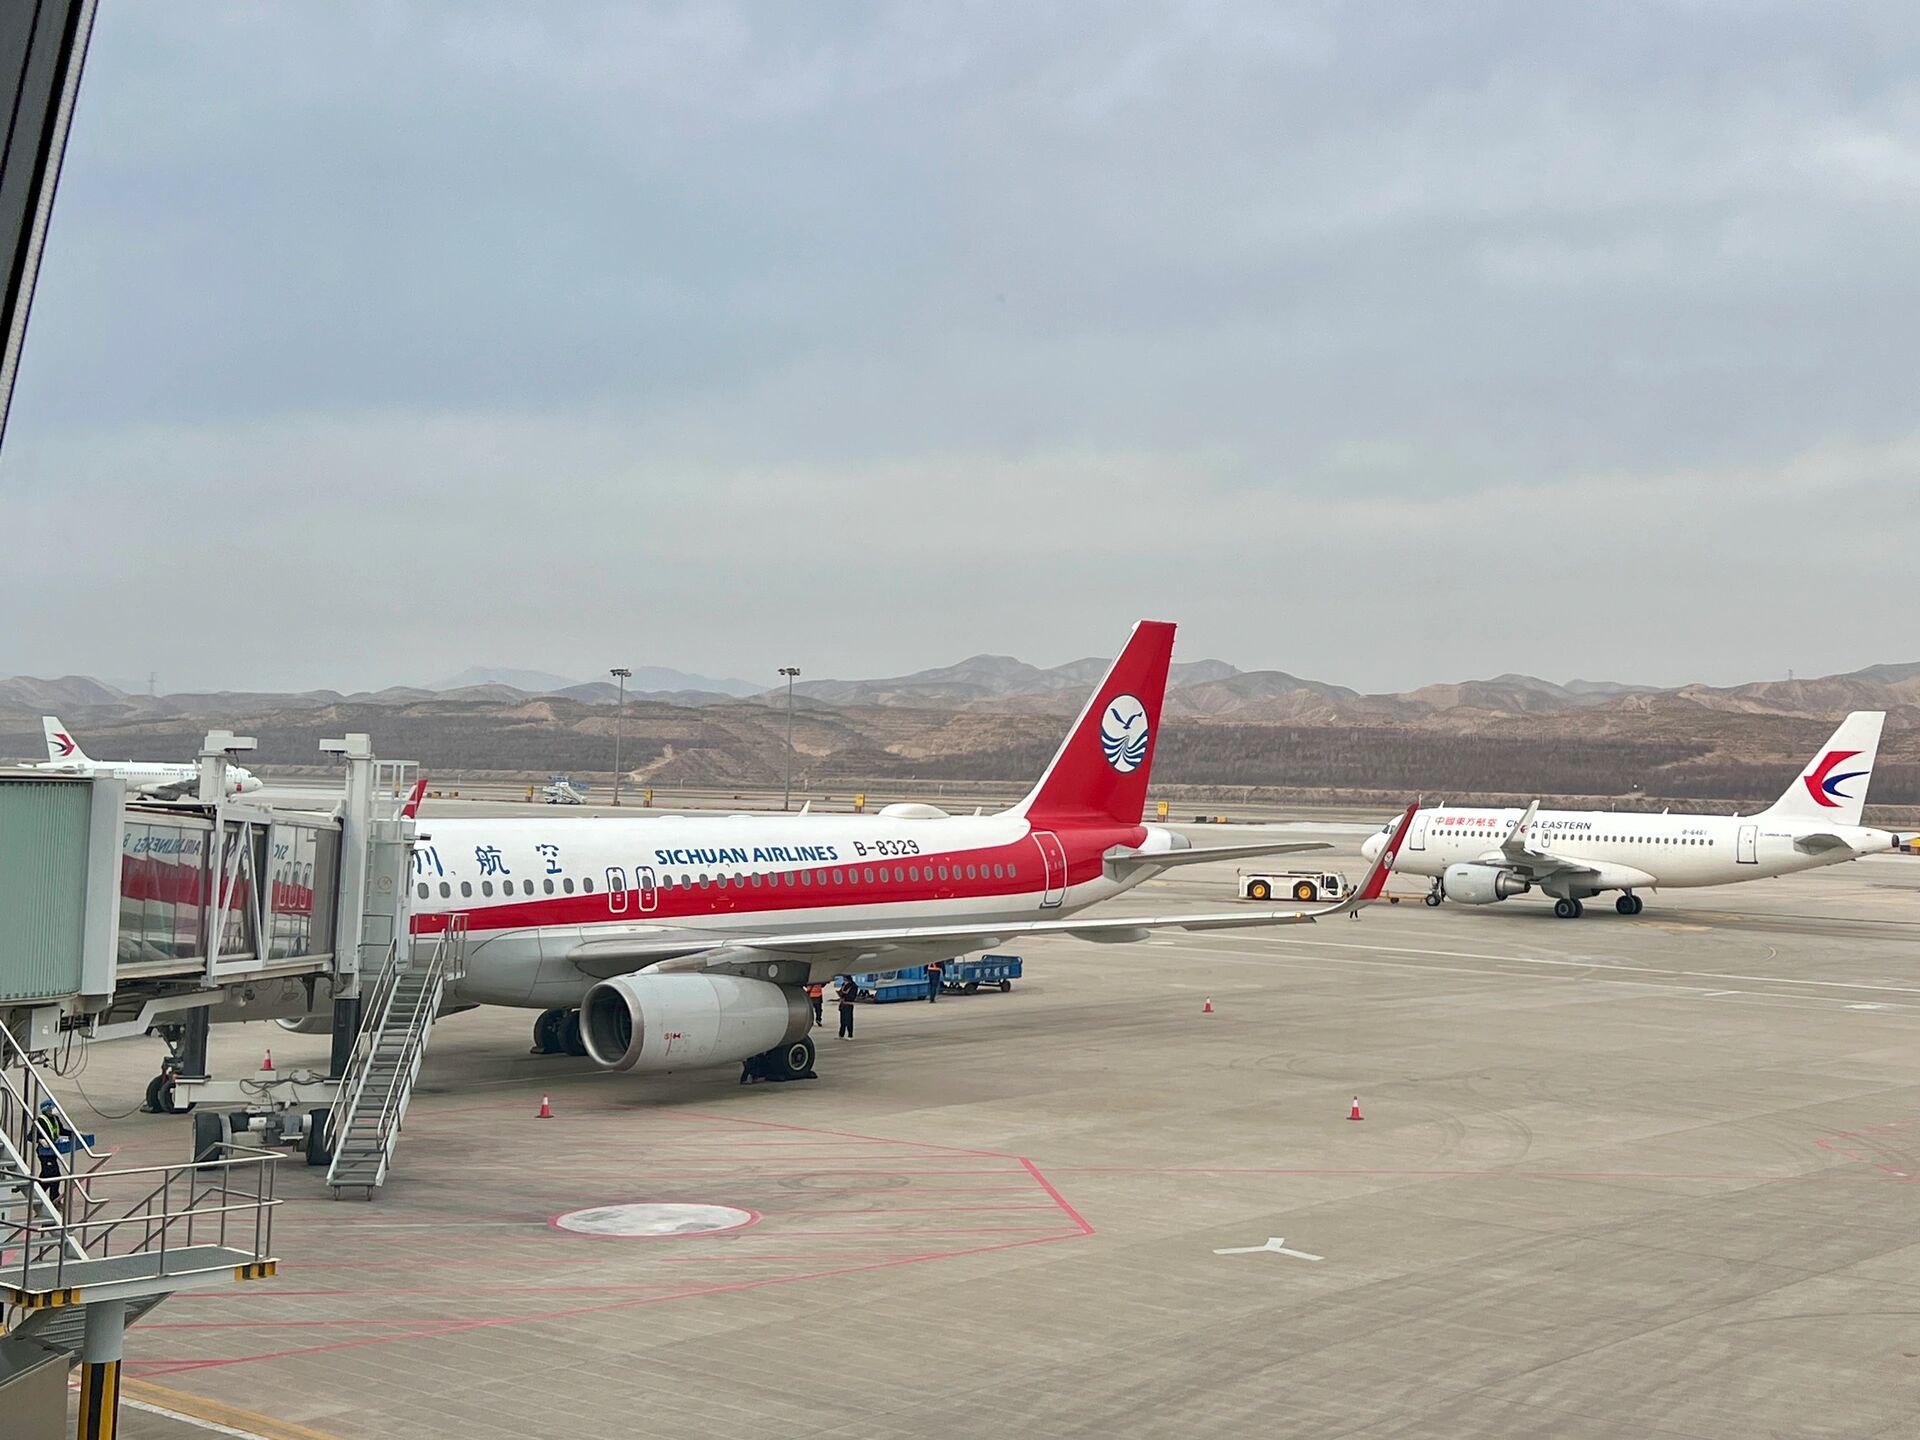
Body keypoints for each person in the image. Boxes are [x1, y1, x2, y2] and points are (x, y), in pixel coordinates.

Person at [34, 1100, 70, 1207]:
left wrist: (74, 1133)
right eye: (52, 1108)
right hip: (44, 1153)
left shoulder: (55, 1119)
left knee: (46, 1176)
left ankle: (36, 1195)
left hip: (52, 1152)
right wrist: (40, 1140)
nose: (54, 1110)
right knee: (55, 1176)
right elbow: (30, 1136)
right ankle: (54, 1200)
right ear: (46, 1109)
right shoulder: (40, 1121)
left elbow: (61, 1131)